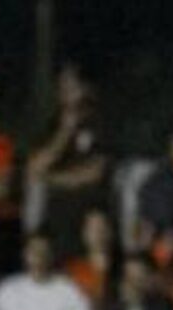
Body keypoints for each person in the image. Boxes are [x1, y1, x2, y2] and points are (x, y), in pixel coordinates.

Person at [25, 64, 110, 261]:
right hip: (53, 209)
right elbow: (34, 167)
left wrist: (49, 179)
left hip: (90, 205)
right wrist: (65, 132)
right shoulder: (51, 125)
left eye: (72, 86)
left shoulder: (98, 122)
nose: (66, 91)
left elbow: (93, 173)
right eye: (63, 86)